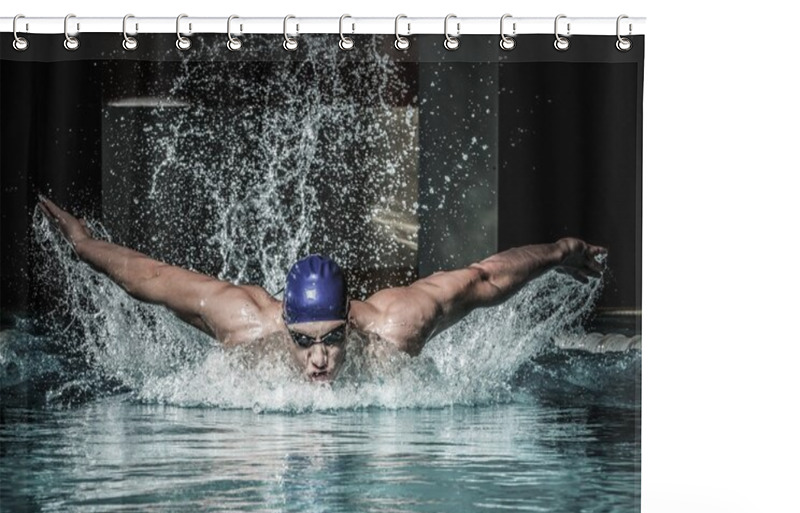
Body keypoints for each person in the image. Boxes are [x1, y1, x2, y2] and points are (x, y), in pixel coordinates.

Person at [38, 197, 607, 384]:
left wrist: (560, 252)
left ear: (350, 323)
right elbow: (152, 278)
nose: (318, 360)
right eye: (304, 341)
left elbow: (485, 276)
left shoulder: (396, 323)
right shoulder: (246, 321)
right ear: (283, 323)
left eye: (332, 340)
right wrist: (85, 244)